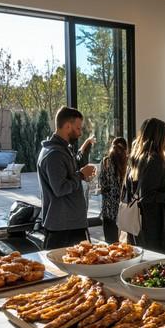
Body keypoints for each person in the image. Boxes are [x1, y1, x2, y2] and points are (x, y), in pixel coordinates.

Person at [123, 118, 165, 255]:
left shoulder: (137, 158)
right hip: (154, 224)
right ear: (158, 137)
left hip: (138, 222)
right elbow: (147, 197)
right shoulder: (154, 160)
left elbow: (139, 189)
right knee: (157, 261)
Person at [37, 106, 96, 250]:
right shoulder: (54, 154)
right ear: (67, 126)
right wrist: (81, 174)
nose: (80, 133)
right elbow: (60, 188)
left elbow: (69, 173)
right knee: (61, 270)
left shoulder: (62, 150)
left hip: (69, 223)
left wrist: (81, 173)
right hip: (63, 228)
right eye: (78, 128)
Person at [99, 137, 128, 243]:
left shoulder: (105, 161)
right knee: (123, 242)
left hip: (108, 208)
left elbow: (102, 183)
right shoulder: (126, 161)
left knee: (110, 242)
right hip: (123, 207)